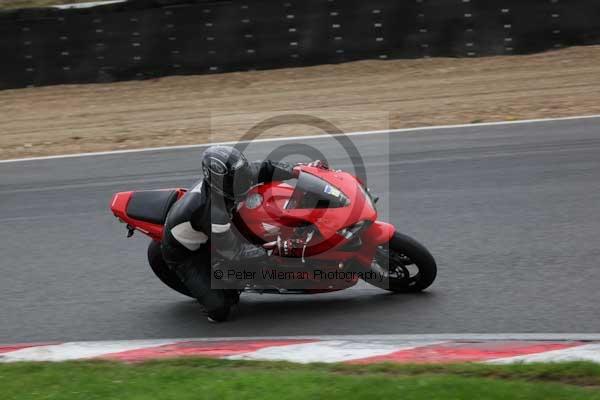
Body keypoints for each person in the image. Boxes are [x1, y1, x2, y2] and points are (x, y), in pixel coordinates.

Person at [161, 145, 300, 321]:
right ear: (220, 182)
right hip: (184, 254)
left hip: (209, 231)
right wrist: (272, 249)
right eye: (237, 178)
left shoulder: (237, 174)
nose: (244, 180)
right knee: (220, 310)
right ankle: (217, 280)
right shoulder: (213, 212)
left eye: (242, 174)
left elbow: (265, 168)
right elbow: (234, 252)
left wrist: (297, 170)